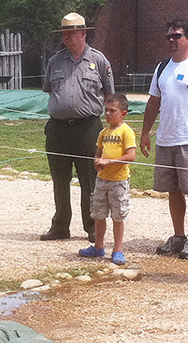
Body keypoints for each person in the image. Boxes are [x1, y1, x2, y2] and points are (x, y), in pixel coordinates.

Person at [40, 12, 115, 243]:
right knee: (59, 179)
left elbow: (109, 94)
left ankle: (92, 226)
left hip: (87, 128)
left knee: (89, 180)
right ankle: (60, 226)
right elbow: (49, 90)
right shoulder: (55, 61)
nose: (68, 37)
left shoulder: (99, 60)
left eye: (72, 33)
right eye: (65, 33)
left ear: (84, 33)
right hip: (58, 129)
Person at [142, 19, 188, 260]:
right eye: (168, 36)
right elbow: (153, 101)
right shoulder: (162, 68)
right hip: (166, 138)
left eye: (176, 36)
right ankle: (178, 236)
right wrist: (145, 132)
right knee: (172, 190)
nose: (171, 40)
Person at [79, 94, 137, 265]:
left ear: (123, 113)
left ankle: (117, 249)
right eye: (106, 110)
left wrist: (110, 162)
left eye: (113, 111)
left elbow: (131, 156)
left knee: (118, 215)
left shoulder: (126, 131)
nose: (108, 114)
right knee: (99, 214)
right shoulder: (103, 133)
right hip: (101, 180)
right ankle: (98, 246)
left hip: (118, 181)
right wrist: (98, 163)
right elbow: (97, 154)